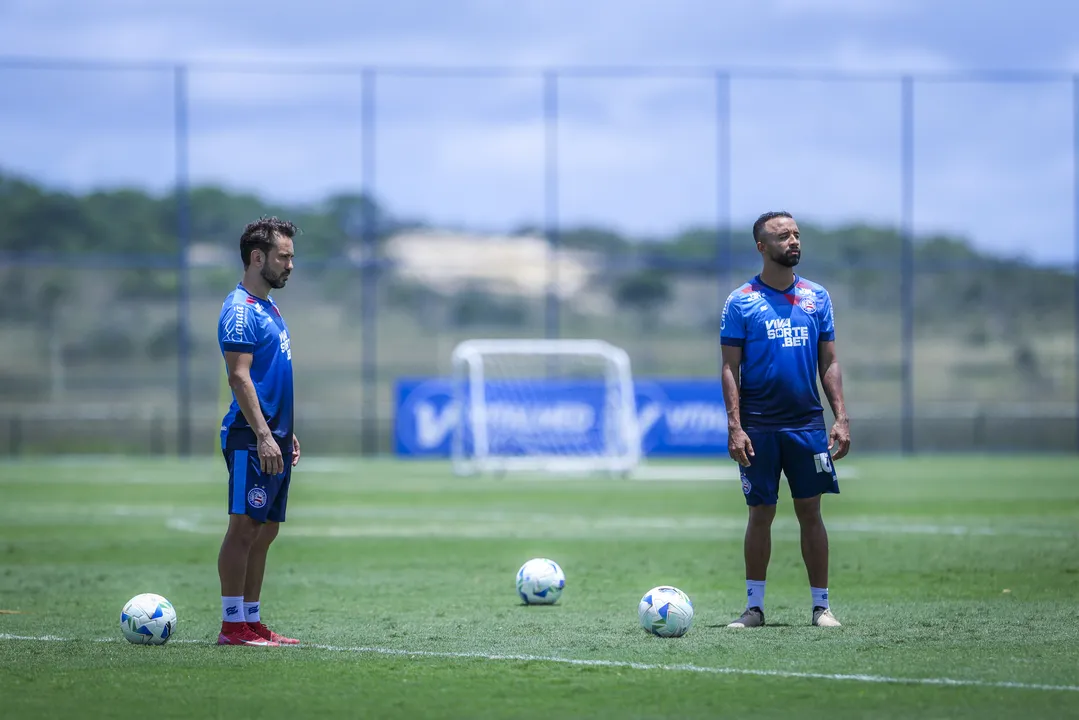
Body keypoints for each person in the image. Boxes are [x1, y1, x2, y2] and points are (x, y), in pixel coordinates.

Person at [719, 211, 850, 629]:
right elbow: (729, 367)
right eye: (782, 236)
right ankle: (754, 608)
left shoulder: (817, 297)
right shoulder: (741, 300)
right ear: (762, 246)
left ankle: (821, 607)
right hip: (758, 425)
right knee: (761, 513)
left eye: (796, 235)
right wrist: (735, 426)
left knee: (811, 512)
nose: (793, 242)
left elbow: (829, 361)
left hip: (806, 424)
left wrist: (840, 417)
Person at [215, 216, 302, 646]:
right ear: (257, 257)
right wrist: (266, 435)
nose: (289, 265)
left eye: (290, 256)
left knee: (266, 529)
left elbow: (272, 378)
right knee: (244, 526)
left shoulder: (269, 307)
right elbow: (240, 378)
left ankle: (251, 621)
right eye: (283, 256)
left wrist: (285, 435)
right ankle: (233, 627)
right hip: (251, 437)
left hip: (274, 437)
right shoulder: (238, 311)